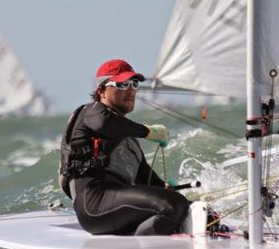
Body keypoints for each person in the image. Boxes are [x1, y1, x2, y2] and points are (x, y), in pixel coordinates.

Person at [58, 59, 189, 236]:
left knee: (186, 207)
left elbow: (146, 177)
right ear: (101, 91)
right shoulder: (90, 112)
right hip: (93, 204)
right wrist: (147, 131)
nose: (131, 90)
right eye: (121, 84)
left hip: (117, 203)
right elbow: (105, 123)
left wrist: (164, 187)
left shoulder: (128, 137)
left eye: (134, 84)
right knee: (172, 204)